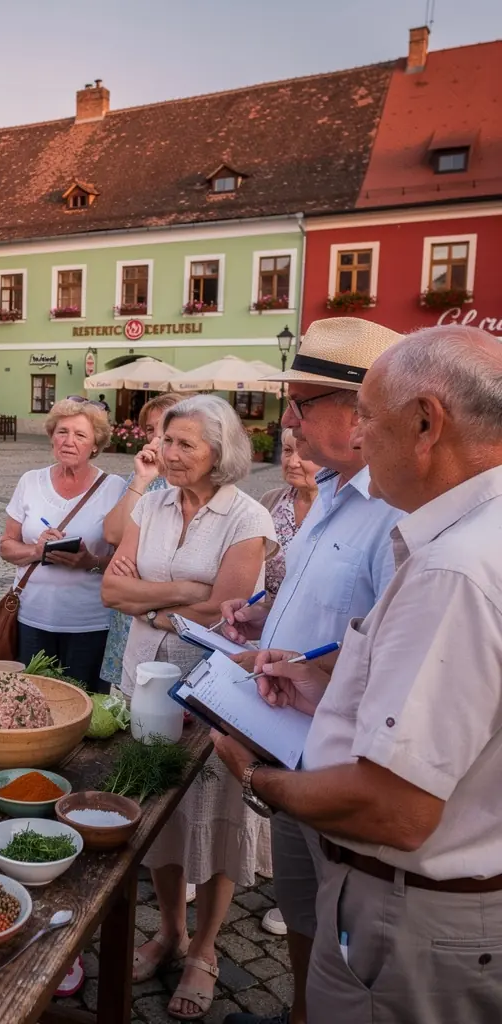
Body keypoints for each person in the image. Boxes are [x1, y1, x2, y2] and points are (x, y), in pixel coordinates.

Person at [213, 325, 502, 1024]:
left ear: (427, 422)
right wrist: (321, 681)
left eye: (371, 418)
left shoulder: (455, 566)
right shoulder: (472, 534)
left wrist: (253, 776)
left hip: (412, 913)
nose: (366, 441)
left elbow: (396, 810)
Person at [218, 318, 405, 1024]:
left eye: (302, 403)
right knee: (300, 905)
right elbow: (311, 588)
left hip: (338, 765)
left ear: (361, 416)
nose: (287, 420)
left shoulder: (395, 514)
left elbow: (392, 650)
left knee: (340, 920)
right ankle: (300, 1009)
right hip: (291, 738)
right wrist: (263, 612)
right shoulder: (332, 489)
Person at [101, 394, 277, 1020]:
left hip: (211, 688)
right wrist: (178, 594)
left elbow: (226, 609)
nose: (169, 454)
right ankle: (171, 929)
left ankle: (206, 947)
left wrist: (147, 602)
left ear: (219, 453)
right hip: (145, 679)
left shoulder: (246, 517)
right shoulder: (150, 503)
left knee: (215, 807)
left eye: (185, 445)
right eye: (166, 441)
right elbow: (110, 588)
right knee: (157, 816)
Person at [0, 397, 125, 689]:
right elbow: (6, 545)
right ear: (51, 437)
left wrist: (89, 562)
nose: (69, 441)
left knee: (85, 709)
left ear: (96, 444)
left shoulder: (115, 488)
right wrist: (36, 551)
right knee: (33, 705)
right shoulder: (30, 481)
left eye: (80, 434)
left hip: (90, 623)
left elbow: (127, 561)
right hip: (31, 618)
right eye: (62, 432)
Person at [99, 393, 188, 690]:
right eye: (150, 429)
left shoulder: (195, 482)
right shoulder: (143, 479)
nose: (156, 436)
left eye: (164, 428)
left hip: (172, 617)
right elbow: (112, 535)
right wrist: (140, 480)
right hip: (131, 614)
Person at [257, 428, 320, 597]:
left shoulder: (336, 509)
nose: (292, 462)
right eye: (287, 450)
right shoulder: (270, 501)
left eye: (305, 453)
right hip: (259, 613)